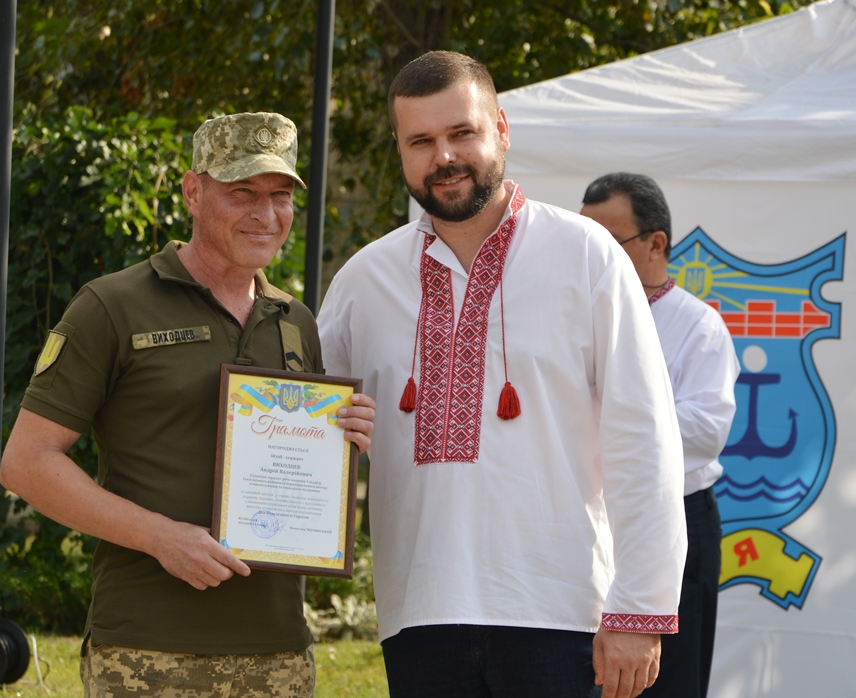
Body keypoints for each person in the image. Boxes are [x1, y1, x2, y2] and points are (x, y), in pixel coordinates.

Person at [316, 51, 686, 698]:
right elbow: (307, 425)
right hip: (418, 612)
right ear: (400, 151)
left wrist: (640, 607)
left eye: (462, 133)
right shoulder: (363, 281)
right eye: (421, 141)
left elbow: (644, 435)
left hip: (561, 611)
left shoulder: (586, 254)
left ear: (502, 129)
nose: (444, 157)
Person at [0, 111, 376, 697]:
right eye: (242, 192)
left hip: (278, 652)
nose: (266, 213)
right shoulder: (112, 306)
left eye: (280, 196)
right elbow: (27, 463)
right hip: (147, 651)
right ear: (193, 192)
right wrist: (160, 537)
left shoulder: (295, 321)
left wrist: (343, 436)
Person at [581, 172, 739, 698]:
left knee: (668, 681)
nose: (592, 253)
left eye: (608, 241)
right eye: (586, 238)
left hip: (680, 520)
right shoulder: (573, 318)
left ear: (655, 244)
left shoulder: (697, 327)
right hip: (591, 521)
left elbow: (706, 429)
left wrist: (619, 418)